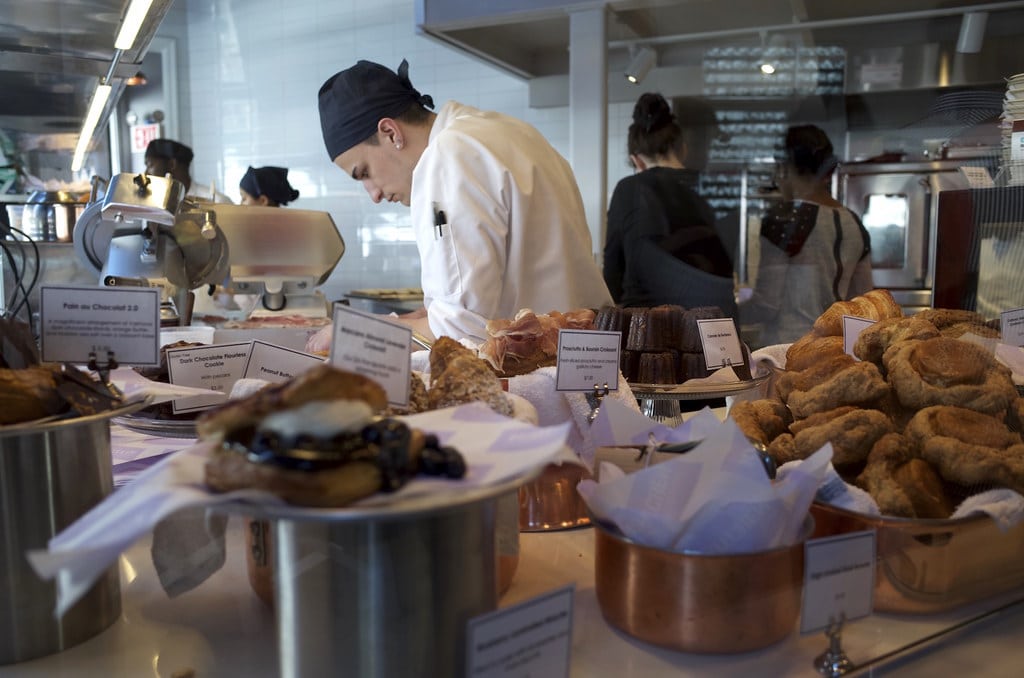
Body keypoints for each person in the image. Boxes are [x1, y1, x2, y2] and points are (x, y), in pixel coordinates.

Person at [315, 58, 612, 343]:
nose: (374, 194)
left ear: (390, 132)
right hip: (584, 358)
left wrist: (354, 331)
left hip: (539, 377)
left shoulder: (448, 155)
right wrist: (406, 319)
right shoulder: (510, 131)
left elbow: (459, 330)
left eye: (364, 172)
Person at [739, 124, 873, 346]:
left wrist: (727, 312)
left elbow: (766, 305)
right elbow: (862, 302)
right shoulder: (854, 223)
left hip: (787, 350)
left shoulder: (784, 217)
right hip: (834, 350)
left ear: (784, 167)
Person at [603, 92, 735, 313]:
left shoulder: (629, 189)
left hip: (649, 329)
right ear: (682, 147)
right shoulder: (718, 189)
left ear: (637, 160)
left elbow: (613, 275)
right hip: (716, 325)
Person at [144, 138, 233, 203]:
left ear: (172, 164)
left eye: (150, 165)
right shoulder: (155, 203)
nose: (146, 173)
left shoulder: (217, 202)